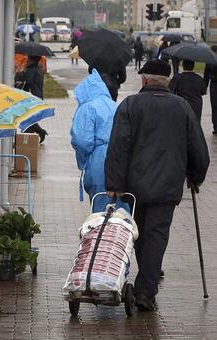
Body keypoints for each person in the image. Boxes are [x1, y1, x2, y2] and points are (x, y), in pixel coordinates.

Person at [105, 60, 210, 312]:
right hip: (167, 185)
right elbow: (198, 149)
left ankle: (145, 286)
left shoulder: (130, 105)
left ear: (143, 80)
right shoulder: (182, 107)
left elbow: (118, 146)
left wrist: (114, 183)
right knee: (156, 236)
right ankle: (145, 291)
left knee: (140, 235)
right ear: (168, 82)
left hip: (135, 186)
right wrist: (196, 176)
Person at [70, 70, 129, 213]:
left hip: (99, 159)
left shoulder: (87, 108)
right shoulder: (115, 105)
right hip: (120, 159)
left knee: (101, 208)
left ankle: (102, 235)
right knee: (121, 209)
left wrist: (84, 158)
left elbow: (82, 141)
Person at [19, 55, 49, 142]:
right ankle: (30, 137)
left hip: (32, 98)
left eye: (28, 59)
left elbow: (28, 82)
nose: (26, 60)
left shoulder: (32, 69)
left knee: (27, 118)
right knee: (28, 118)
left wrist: (22, 73)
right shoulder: (37, 68)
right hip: (36, 96)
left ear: (33, 60)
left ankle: (29, 138)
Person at [204, 45, 217, 135]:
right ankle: (216, 126)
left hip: (214, 84)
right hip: (214, 84)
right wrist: (204, 87)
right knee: (214, 105)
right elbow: (206, 75)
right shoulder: (209, 61)